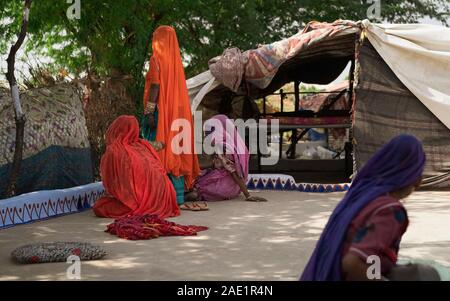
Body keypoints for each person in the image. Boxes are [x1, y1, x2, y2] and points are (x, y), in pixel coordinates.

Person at [300, 134, 431, 281]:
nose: (420, 180)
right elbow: (355, 263)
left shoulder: (361, 196)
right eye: (418, 171)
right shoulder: (390, 210)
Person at [141, 25, 202, 211]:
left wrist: (149, 111)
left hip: (161, 113)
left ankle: (161, 196)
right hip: (178, 115)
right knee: (176, 150)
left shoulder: (156, 60)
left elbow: (155, 86)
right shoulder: (176, 64)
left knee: (157, 151)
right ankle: (178, 196)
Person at [93, 115, 179, 219]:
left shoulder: (115, 150)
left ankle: (139, 204)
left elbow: (116, 183)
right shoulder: (142, 145)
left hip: (145, 201)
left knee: (100, 207)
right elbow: (160, 145)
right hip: (165, 201)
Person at [191, 115, 268, 203]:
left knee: (195, 189)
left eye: (209, 132)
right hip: (234, 188)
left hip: (222, 187)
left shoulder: (223, 146)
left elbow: (233, 172)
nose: (206, 136)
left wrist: (247, 195)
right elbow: (217, 165)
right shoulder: (236, 144)